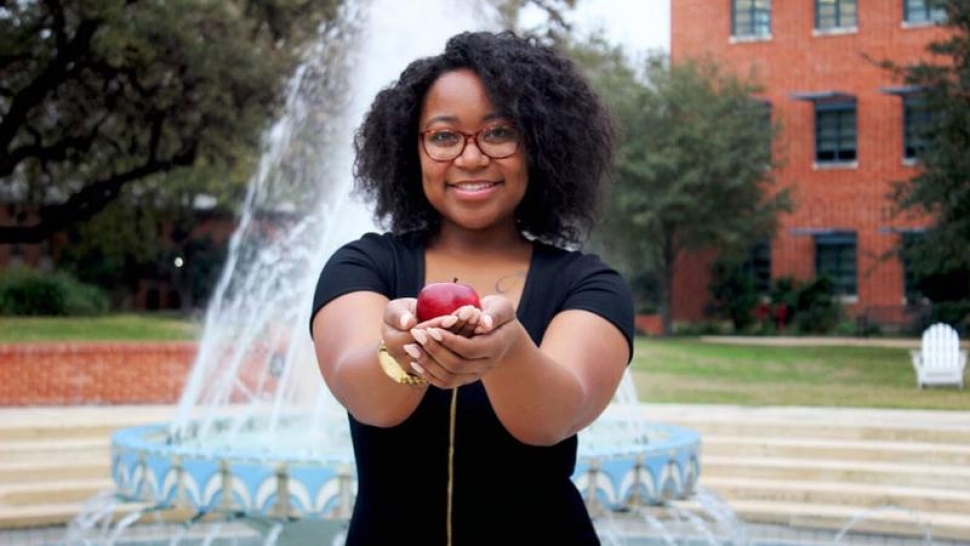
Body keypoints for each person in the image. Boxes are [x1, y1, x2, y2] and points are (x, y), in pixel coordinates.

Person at [310, 30, 634, 546]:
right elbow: (365, 397)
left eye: (499, 132)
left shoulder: (589, 285)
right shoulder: (363, 266)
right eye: (444, 136)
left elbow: (555, 416)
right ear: (411, 150)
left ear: (540, 145)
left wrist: (507, 350)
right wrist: (402, 352)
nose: (471, 157)